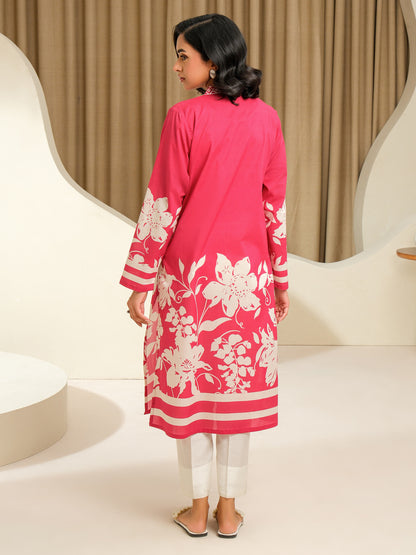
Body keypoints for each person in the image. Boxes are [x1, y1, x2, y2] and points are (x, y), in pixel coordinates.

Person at [120, 13, 289, 538]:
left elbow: (164, 200)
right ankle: (229, 512)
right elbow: (275, 206)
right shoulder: (267, 118)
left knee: (192, 394)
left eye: (183, 56)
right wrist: (280, 279)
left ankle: (196, 511)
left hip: (191, 280)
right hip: (247, 280)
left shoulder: (184, 117)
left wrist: (139, 278)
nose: (176, 67)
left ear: (212, 61)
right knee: (235, 393)